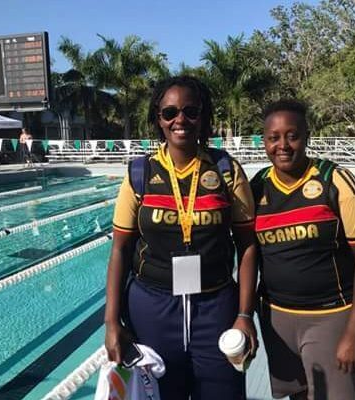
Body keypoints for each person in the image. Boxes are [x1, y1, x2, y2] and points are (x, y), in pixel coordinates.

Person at [104, 75, 257, 400]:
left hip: (215, 306)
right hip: (152, 308)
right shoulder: (140, 173)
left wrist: (245, 314)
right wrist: (111, 322)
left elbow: (247, 245)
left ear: (203, 116)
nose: (180, 120)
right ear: (158, 119)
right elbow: (120, 249)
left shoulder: (226, 170)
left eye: (191, 111)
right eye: (170, 112)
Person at [251, 99, 355, 400]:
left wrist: (354, 331)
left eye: (292, 135)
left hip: (332, 316)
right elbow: (249, 253)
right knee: (298, 395)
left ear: (307, 136)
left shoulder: (337, 182)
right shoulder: (257, 187)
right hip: (277, 317)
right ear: (264, 142)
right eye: (273, 138)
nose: (283, 145)